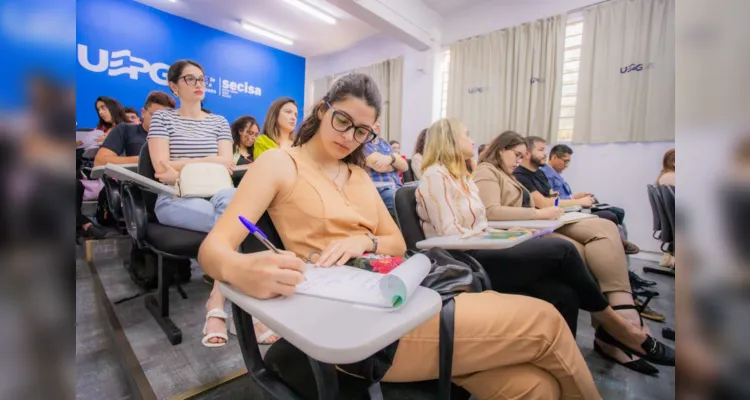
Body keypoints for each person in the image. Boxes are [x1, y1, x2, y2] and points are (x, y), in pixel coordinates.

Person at [198, 73, 603, 399]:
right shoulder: (279, 164)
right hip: (357, 318)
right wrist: (243, 269)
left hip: (400, 288)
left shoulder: (358, 175)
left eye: (361, 132)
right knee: (546, 322)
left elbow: (394, 243)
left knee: (535, 387)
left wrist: (363, 241)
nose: (348, 137)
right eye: (342, 121)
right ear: (322, 110)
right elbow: (213, 249)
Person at [418, 119, 673, 373]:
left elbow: (481, 222)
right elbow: (450, 233)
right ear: (450, 140)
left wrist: (506, 232)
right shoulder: (435, 176)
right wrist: (499, 234)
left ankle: (562, 366)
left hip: (483, 247)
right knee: (564, 250)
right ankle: (620, 328)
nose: (473, 141)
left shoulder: (460, 178)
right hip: (468, 261)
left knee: (566, 294)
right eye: (467, 135)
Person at [147, 59, 275, 347]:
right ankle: (245, 307)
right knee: (239, 224)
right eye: (190, 79)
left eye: (202, 79)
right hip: (176, 197)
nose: (199, 84)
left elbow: (227, 163)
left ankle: (216, 300)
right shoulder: (163, 119)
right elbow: (160, 168)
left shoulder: (217, 121)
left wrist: (181, 164)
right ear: (173, 86)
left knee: (231, 202)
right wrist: (210, 162)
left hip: (220, 194)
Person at [516, 137, 640, 254]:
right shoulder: (520, 175)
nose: (545, 154)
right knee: (608, 217)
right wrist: (578, 202)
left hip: (558, 215)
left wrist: (572, 199)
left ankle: (620, 257)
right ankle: (618, 249)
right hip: (547, 221)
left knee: (609, 220)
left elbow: (552, 198)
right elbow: (544, 203)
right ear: (527, 153)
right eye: (541, 150)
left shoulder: (539, 174)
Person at [94, 91, 176, 167]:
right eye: (156, 116)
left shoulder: (177, 137)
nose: (161, 121)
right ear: (143, 112)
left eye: (167, 117)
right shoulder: (124, 130)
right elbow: (100, 161)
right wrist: (145, 160)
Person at [364, 120, 409, 217]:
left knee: (422, 188)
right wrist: (395, 161)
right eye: (375, 121)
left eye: (379, 122)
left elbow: (405, 166)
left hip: (397, 187)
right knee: (407, 199)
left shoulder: (383, 143)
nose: (378, 124)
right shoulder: (362, 144)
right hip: (381, 191)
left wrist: (390, 159)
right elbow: (379, 166)